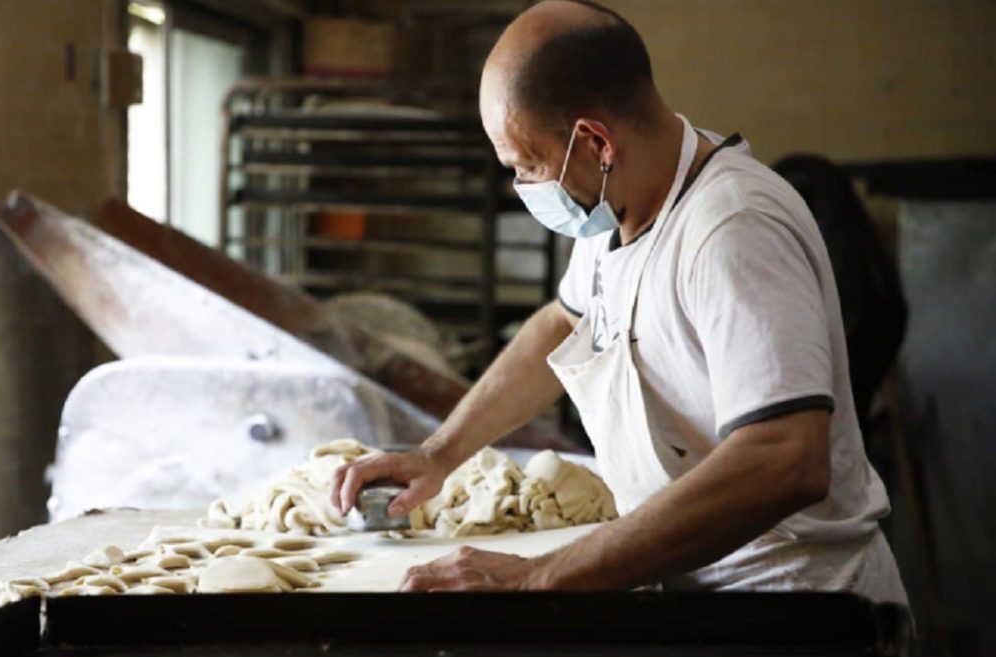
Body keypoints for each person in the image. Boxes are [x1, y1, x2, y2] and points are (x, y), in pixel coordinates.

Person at [331, 0, 907, 603]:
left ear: (597, 142)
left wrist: (537, 576)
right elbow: (562, 326)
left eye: (528, 166)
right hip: (693, 581)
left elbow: (787, 458)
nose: (526, 187)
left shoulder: (731, 230)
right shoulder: (616, 210)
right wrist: (436, 455)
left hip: (794, 605)